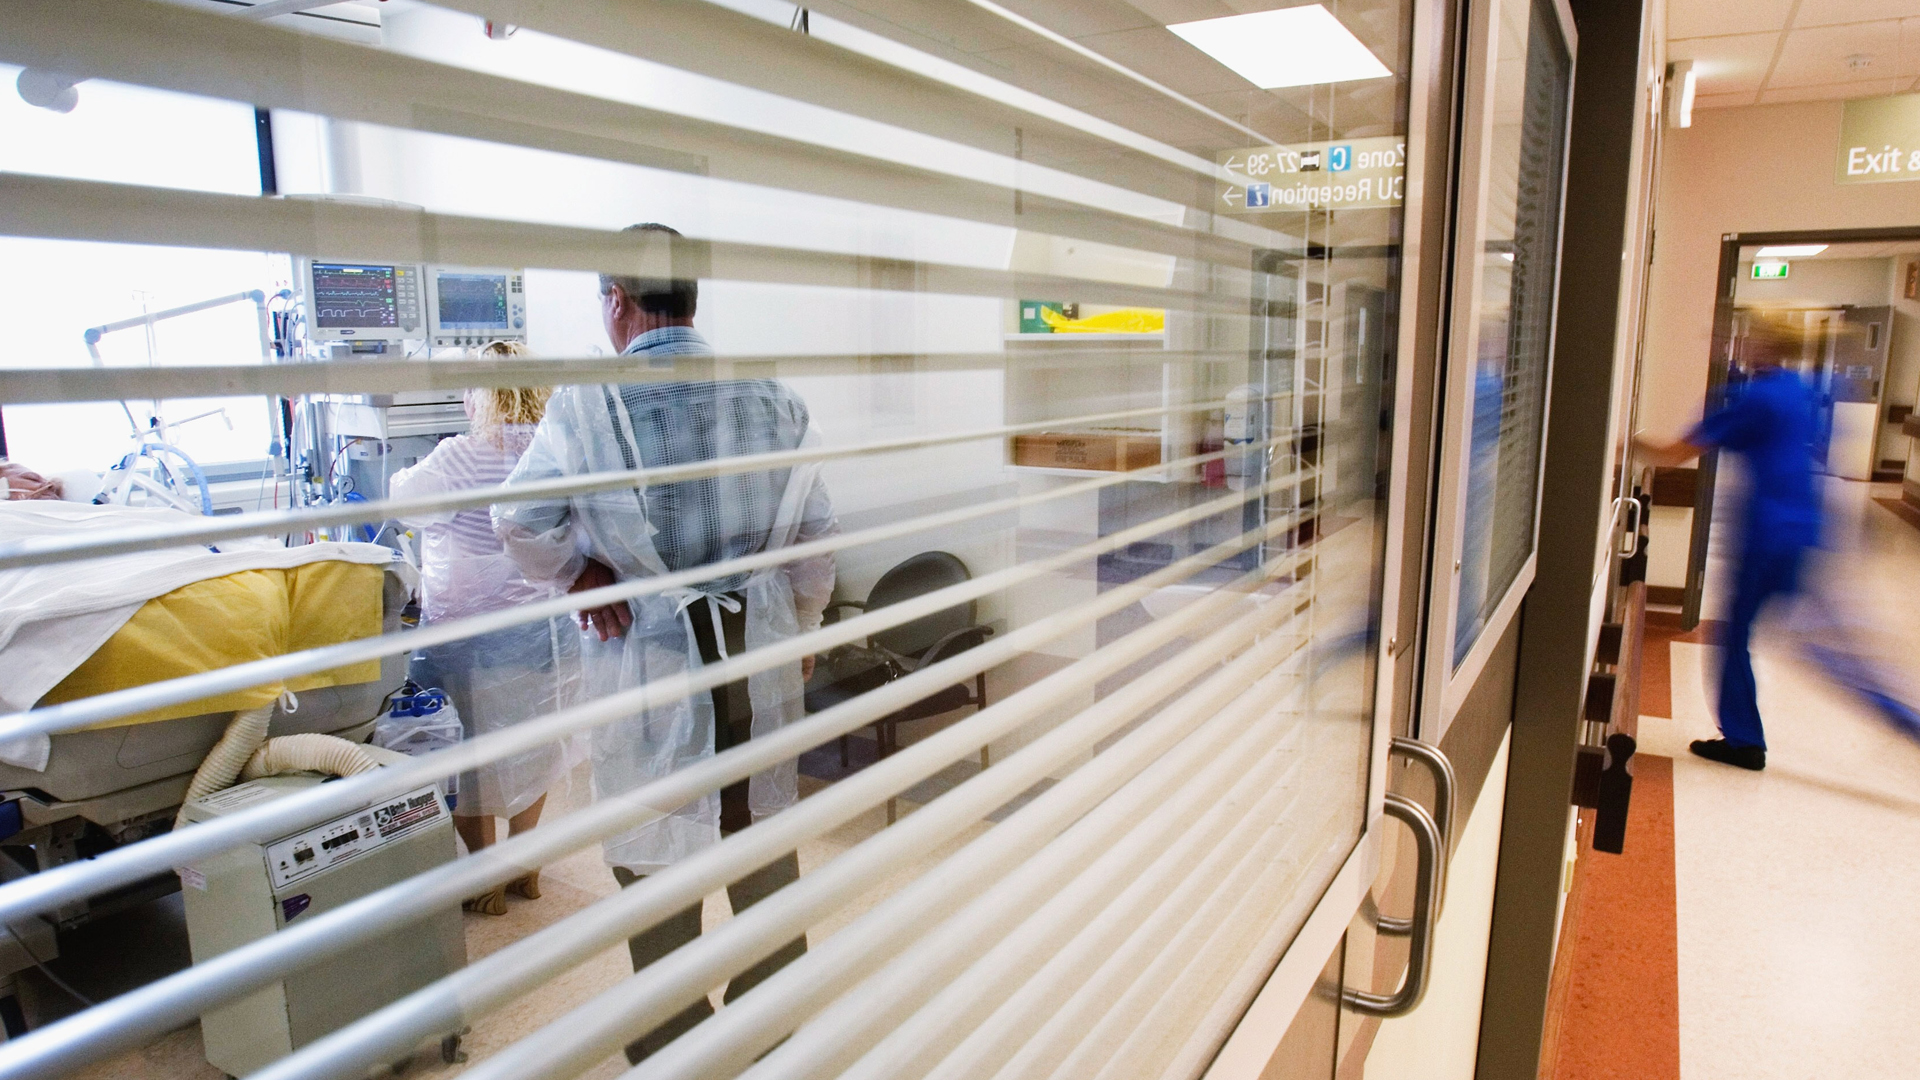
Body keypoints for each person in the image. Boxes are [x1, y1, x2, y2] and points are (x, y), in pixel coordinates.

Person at [493, 223, 837, 1063]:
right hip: (753, 655)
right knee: (759, 839)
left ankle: (678, 1038)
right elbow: (817, 538)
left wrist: (581, 577)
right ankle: (770, 1029)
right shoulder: (769, 395)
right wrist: (803, 629)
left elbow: (519, 517)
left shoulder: (587, 406)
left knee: (656, 859)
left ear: (616, 303)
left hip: (653, 659)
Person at [392, 342, 580, 914]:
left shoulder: (461, 455)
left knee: (467, 752)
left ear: (482, 393)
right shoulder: (558, 450)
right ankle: (525, 865)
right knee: (536, 748)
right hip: (547, 632)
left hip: (471, 638)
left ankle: (485, 878)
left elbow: (407, 506)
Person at [1635, 318, 1821, 771]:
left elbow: (1675, 453)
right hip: (1802, 532)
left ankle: (1743, 742)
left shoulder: (1754, 398)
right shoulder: (1799, 390)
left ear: (1764, 345)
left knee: (1735, 636)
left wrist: (1623, 445)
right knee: (1826, 651)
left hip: (1766, 536)